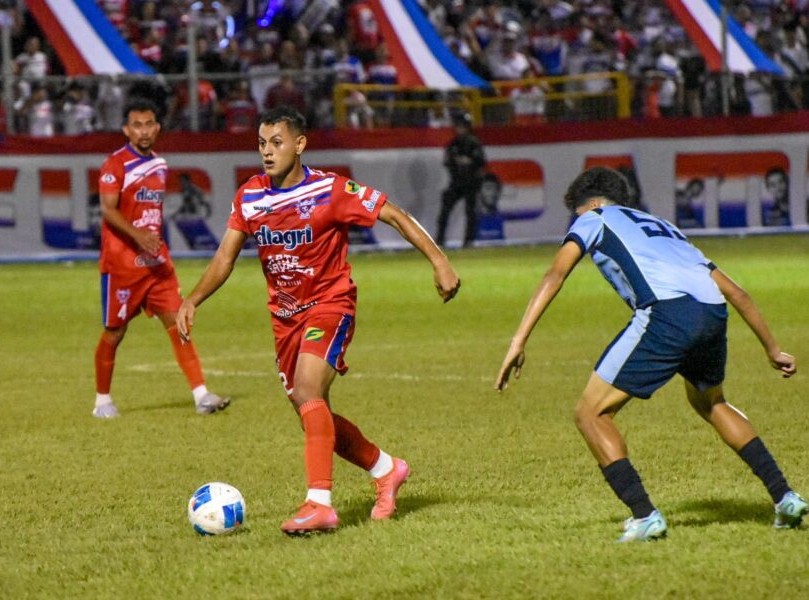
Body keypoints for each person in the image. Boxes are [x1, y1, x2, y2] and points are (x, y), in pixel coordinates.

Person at [176, 106, 460, 535]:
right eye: (261, 144)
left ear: (299, 144)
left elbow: (394, 214)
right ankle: (387, 469)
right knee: (313, 411)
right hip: (285, 321)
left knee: (308, 390)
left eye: (276, 143)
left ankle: (319, 505)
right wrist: (193, 298)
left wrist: (440, 262)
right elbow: (225, 257)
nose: (267, 152)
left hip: (330, 306)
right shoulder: (250, 196)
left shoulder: (331, 190)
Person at [495, 166, 805, 542]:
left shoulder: (594, 218)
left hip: (665, 313)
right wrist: (772, 349)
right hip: (711, 312)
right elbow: (737, 293)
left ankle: (644, 516)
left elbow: (554, 275)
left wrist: (518, 341)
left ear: (591, 203)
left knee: (591, 414)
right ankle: (785, 497)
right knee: (712, 402)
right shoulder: (663, 227)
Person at [92, 97, 228, 419]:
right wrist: (138, 236)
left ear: (157, 127)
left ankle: (201, 395)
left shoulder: (160, 165)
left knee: (178, 323)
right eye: (136, 125)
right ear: (126, 129)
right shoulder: (115, 164)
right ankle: (102, 401)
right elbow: (108, 210)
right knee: (115, 332)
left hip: (156, 266)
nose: (143, 131)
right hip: (122, 264)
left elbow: (149, 214)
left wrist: (151, 241)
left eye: (148, 124)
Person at [435, 112, 486, 248]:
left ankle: (468, 240)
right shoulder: (453, 145)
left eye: (463, 127)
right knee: (445, 209)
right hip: (456, 182)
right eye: (458, 127)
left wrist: (468, 163)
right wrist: (457, 163)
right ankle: (440, 240)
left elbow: (480, 161)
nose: (460, 129)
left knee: (471, 212)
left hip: (471, 182)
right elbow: (447, 162)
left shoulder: (474, 143)